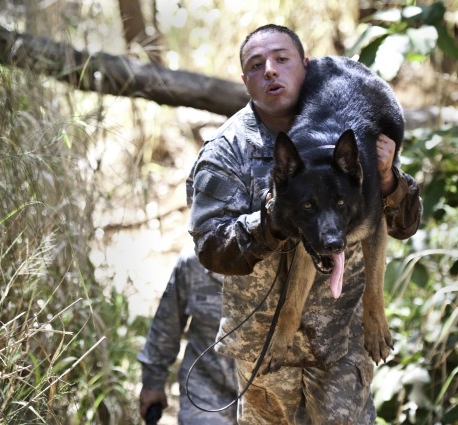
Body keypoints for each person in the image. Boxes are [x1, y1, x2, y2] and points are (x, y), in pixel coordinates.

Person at [186, 24, 422, 424]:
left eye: (282, 59)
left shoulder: (349, 128)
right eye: (256, 65)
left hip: (341, 341)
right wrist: (271, 224)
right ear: (245, 81)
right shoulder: (226, 152)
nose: (271, 72)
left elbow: (401, 226)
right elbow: (211, 246)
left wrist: (389, 182)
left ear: (305, 66)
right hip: (265, 347)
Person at [137, 246, 238, 424]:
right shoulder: (193, 262)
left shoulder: (286, 261)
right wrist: (153, 382)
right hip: (206, 388)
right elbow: (167, 325)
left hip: (272, 394)